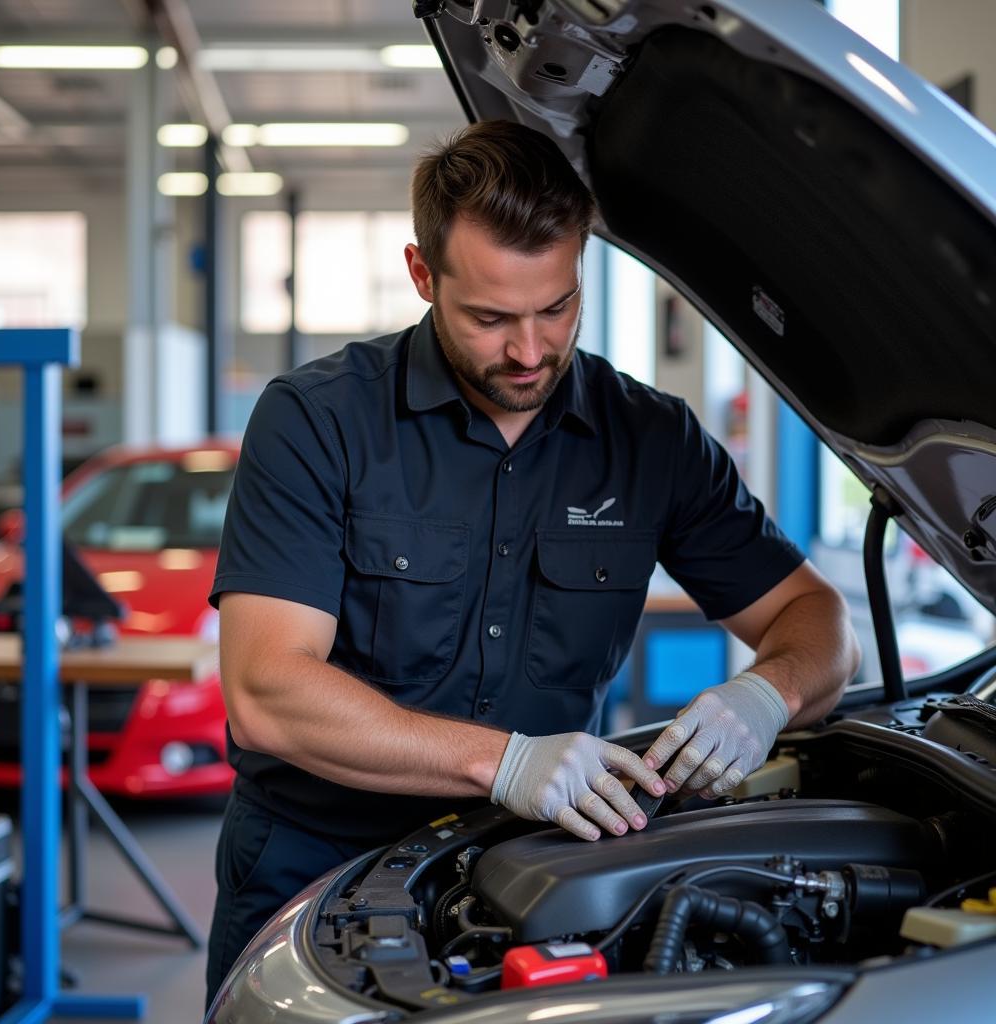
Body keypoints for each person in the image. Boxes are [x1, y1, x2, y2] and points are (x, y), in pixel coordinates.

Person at [204, 119, 860, 1005]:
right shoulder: (318, 422)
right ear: (421, 275)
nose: (528, 350)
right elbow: (267, 689)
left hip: (530, 871)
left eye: (557, 308)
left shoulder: (651, 439)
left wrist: (765, 696)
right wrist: (503, 762)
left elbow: (816, 621)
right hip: (310, 874)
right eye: (490, 317)